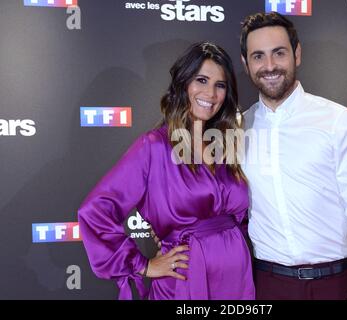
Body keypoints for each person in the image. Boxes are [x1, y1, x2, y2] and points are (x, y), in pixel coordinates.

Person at [78, 42, 255, 300]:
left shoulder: (227, 144)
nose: (211, 93)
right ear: (183, 84)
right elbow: (95, 210)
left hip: (237, 279)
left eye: (220, 85)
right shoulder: (154, 146)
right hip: (185, 280)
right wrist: (143, 265)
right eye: (201, 80)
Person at [239, 12, 347, 300]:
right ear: (246, 64)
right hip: (266, 285)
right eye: (258, 56)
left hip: (336, 283)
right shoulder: (238, 129)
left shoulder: (337, 120)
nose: (269, 66)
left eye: (279, 53)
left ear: (297, 53)